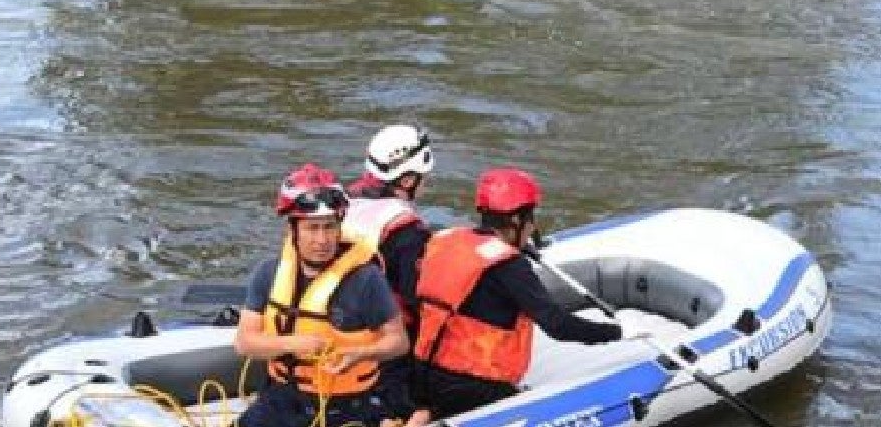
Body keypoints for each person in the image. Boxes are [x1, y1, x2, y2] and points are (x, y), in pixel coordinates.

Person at [408, 167, 626, 425]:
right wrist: (615, 333)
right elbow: (558, 325)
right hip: (474, 386)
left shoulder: (447, 240)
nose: (533, 225)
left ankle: (425, 413)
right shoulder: (509, 266)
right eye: (530, 217)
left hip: (422, 373)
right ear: (515, 220)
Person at [234, 164, 410, 427]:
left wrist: (360, 354)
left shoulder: (366, 279)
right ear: (293, 229)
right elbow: (244, 343)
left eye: (329, 227)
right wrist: (293, 344)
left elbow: (398, 342)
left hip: (346, 406)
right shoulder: (269, 272)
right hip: (280, 398)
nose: (322, 239)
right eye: (312, 228)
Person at [342, 125, 435, 425]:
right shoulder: (407, 231)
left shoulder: (340, 203)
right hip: (381, 348)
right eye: (424, 178)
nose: (426, 184)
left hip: (325, 326)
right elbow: (417, 300)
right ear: (408, 179)